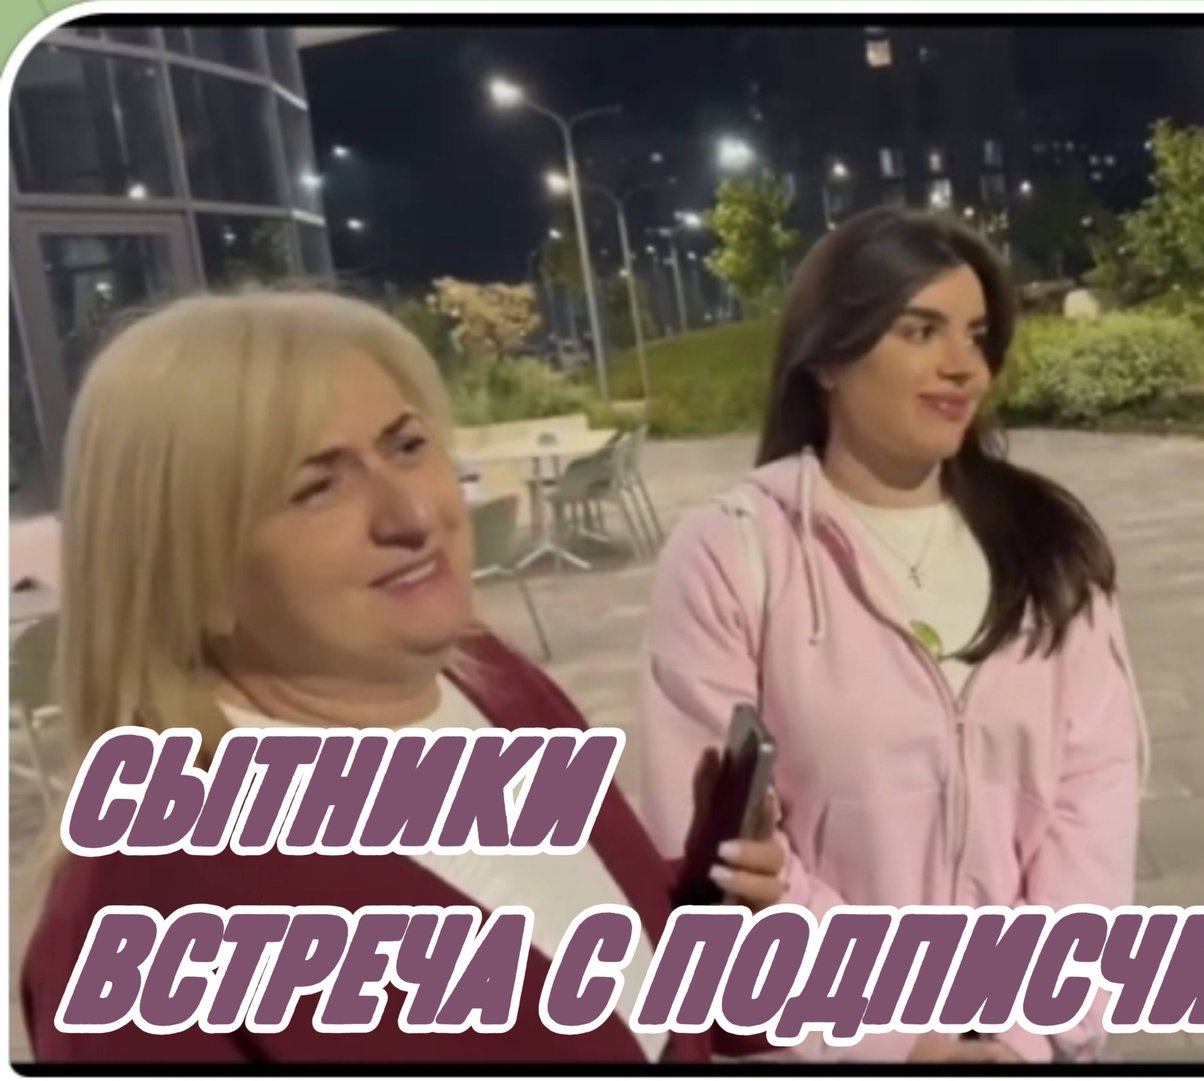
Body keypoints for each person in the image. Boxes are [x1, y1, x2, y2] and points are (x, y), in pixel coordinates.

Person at [20, 290, 783, 1064]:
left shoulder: (492, 681)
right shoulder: (140, 918)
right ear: (192, 572)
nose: (413, 514)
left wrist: (717, 907)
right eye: (317, 487)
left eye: (408, 445)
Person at [634, 207, 1147, 1064]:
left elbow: (1094, 801)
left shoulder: (1050, 547)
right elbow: (720, 858)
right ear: (828, 355)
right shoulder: (733, 551)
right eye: (920, 330)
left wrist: (1019, 1036)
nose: (963, 366)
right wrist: (903, 1039)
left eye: (976, 336)